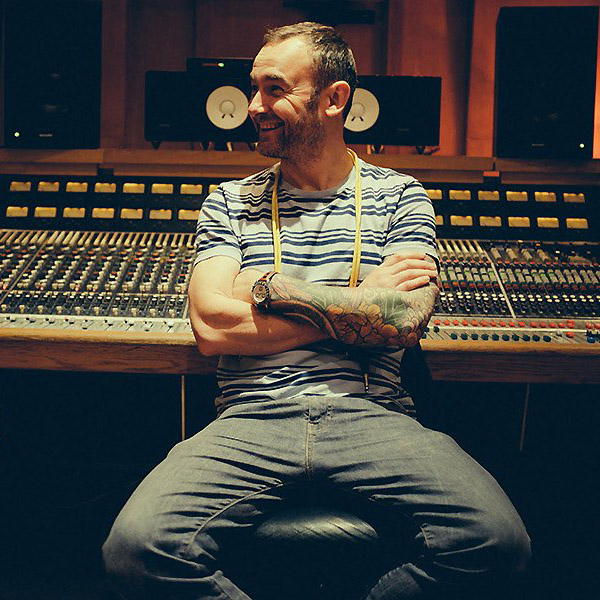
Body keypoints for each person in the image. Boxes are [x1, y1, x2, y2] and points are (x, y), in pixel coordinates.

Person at [103, 21, 530, 599]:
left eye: (275, 89)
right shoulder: (230, 201)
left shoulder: (400, 195)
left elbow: (402, 319)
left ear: (335, 99)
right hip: (251, 417)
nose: (254, 107)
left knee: (497, 543)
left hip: (372, 415)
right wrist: (359, 303)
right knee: (136, 550)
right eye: (254, 88)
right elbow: (211, 326)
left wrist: (268, 288)